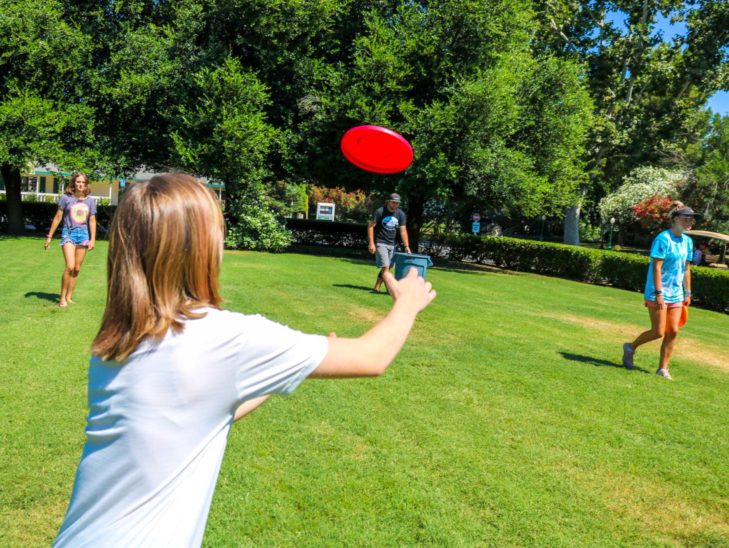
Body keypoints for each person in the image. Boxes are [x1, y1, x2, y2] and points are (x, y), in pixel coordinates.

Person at [53, 174, 436, 547]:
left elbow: (199, 414)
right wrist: (407, 303)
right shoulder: (224, 339)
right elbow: (372, 357)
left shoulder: (116, 343)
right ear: (198, 248)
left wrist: (280, 372)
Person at [622, 202, 699, 380]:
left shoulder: (688, 241)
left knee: (673, 331)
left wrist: (688, 292)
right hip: (658, 291)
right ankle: (630, 347)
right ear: (675, 219)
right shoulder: (663, 239)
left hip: (677, 293)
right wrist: (658, 293)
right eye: (687, 218)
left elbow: (686, 268)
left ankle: (663, 369)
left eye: (692, 220)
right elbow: (656, 268)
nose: (690, 222)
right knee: (658, 332)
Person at [44, 173, 97, 307]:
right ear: (73, 183)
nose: (80, 185)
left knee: (77, 269)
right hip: (68, 233)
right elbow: (57, 217)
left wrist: (93, 240)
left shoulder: (90, 201)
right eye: (78, 182)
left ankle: (69, 296)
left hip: (83, 235)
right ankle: (62, 298)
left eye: (83, 182)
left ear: (86, 184)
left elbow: (92, 221)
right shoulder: (66, 198)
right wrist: (49, 237)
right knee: (70, 266)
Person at [368, 193, 411, 293]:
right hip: (380, 243)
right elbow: (370, 227)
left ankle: (377, 287)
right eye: (393, 202)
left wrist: (407, 246)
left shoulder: (400, 214)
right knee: (386, 267)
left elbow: (403, 231)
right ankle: (390, 288)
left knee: (389, 267)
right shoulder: (380, 212)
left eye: (397, 203)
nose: (395, 204)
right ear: (388, 202)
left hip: (393, 244)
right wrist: (371, 243)